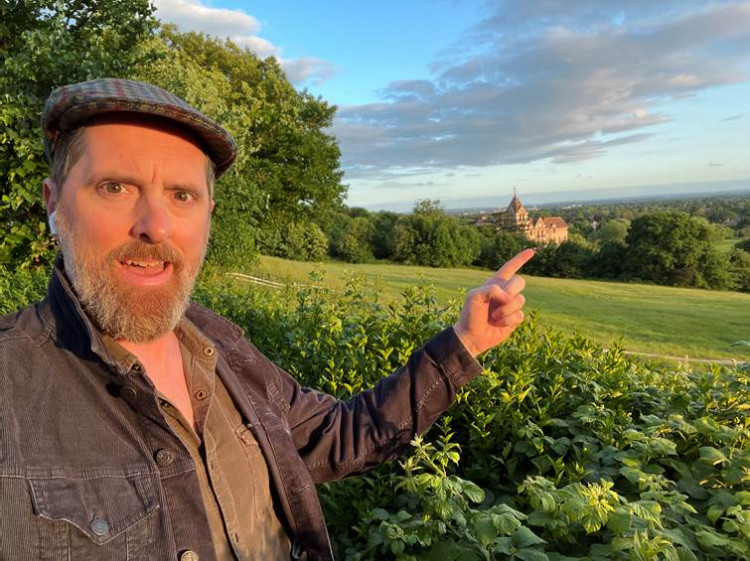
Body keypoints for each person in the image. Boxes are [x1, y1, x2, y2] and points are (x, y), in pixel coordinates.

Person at [0, 78, 533, 561]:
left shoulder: (220, 343)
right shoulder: (11, 386)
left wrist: (465, 342)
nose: (155, 226)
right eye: (115, 187)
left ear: (207, 216)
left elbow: (336, 435)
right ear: (54, 204)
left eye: (182, 195)